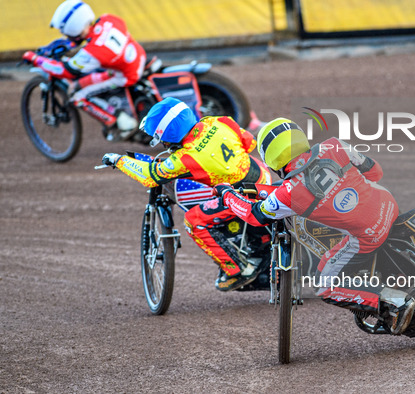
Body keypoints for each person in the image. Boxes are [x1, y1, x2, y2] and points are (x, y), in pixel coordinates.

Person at [213, 118, 415, 335]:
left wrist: (227, 195)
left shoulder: (290, 192)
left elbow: (255, 216)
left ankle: (395, 302)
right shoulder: (333, 145)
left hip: (368, 235)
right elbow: (375, 172)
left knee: (325, 286)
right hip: (389, 205)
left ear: (270, 157)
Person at [101, 97, 272, 291]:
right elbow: (249, 144)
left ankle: (237, 269)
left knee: (194, 219)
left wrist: (118, 160)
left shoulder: (185, 158)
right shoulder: (218, 121)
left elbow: (150, 176)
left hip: (240, 197)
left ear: (169, 136)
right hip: (261, 176)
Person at [22, 0, 145, 139]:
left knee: (77, 96)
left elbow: (63, 70)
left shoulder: (92, 53)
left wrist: (34, 59)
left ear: (73, 28)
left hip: (124, 75)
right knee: (80, 83)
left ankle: (123, 122)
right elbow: (89, 38)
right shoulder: (108, 18)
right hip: (138, 56)